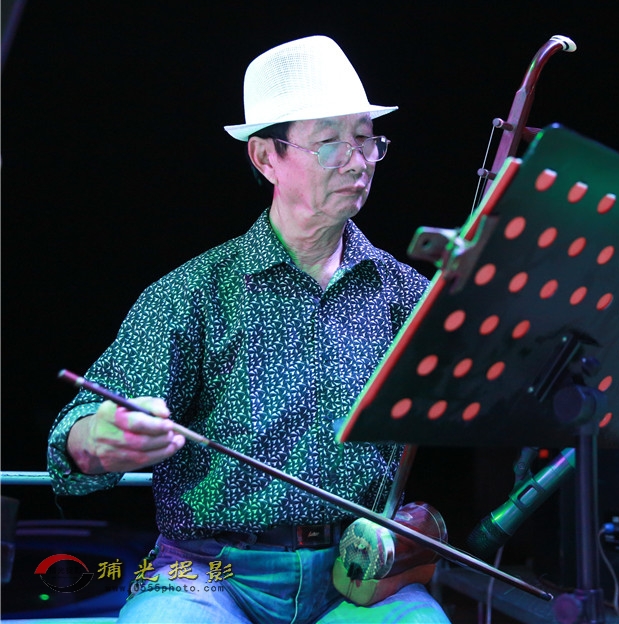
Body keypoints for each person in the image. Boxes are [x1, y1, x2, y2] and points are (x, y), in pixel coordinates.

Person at [47, 35, 451, 623]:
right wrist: (97, 440)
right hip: (210, 571)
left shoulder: (405, 294)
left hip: (360, 574)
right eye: (330, 142)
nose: (357, 161)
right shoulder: (193, 293)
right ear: (265, 158)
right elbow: (75, 434)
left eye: (366, 138)